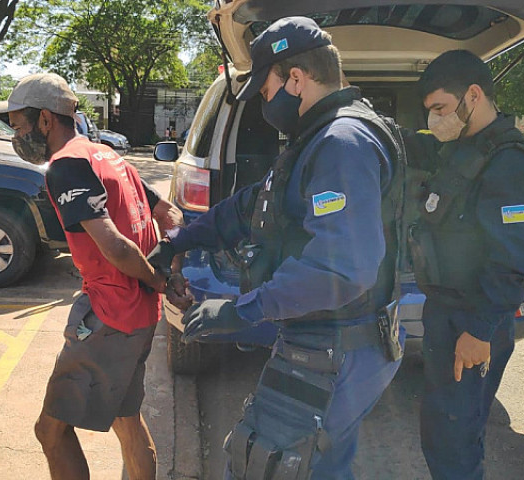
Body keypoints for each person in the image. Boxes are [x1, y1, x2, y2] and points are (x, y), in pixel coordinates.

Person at [147, 17, 406, 480]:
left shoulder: (341, 143)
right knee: (320, 466)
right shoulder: (315, 141)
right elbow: (251, 207)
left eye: (265, 91)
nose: (265, 104)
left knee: (264, 464)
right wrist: (178, 240)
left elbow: (343, 268)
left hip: (337, 347)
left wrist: (243, 310)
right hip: (329, 342)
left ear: (296, 79)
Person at [0, 72, 178, 480]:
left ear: (45, 120)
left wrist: (160, 281)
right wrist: (167, 272)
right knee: (127, 422)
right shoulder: (107, 155)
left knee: (50, 430)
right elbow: (169, 214)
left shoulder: (67, 166)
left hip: (110, 317)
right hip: (141, 315)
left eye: (19, 126)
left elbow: (115, 247)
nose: (17, 137)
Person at [408, 50, 524, 479]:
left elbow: (517, 259)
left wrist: (480, 329)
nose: (435, 120)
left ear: (473, 94)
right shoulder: (463, 148)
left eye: (440, 109)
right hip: (447, 313)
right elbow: (419, 147)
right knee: (442, 430)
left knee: (456, 439)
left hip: (472, 321)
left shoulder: (509, 164)